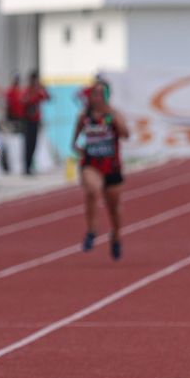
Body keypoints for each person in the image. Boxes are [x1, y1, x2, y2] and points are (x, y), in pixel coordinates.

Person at [72, 80, 130, 259]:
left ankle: (116, 235)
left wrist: (112, 118)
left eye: (99, 94)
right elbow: (74, 141)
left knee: (113, 207)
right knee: (92, 190)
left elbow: (126, 135)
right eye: (93, 94)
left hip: (111, 165)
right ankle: (92, 230)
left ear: (106, 95)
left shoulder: (114, 115)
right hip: (92, 163)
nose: (95, 97)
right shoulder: (85, 116)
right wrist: (79, 149)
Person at [22, 71, 50, 175]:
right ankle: (27, 167)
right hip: (28, 120)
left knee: (33, 144)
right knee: (28, 144)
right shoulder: (28, 91)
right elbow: (24, 101)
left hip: (35, 120)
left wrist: (43, 88)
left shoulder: (38, 90)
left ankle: (30, 166)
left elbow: (48, 97)